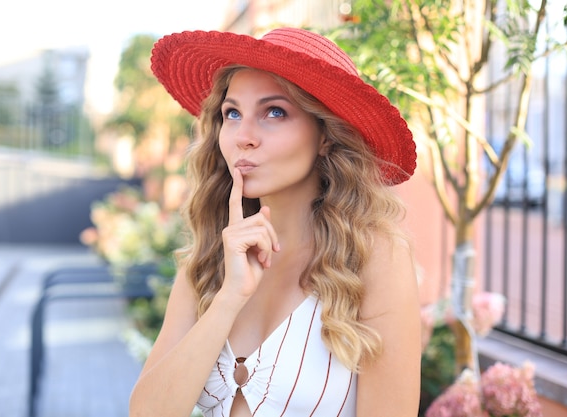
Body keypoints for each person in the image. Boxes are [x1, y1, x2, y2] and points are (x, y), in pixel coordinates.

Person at [129, 27, 421, 417]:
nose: (243, 136)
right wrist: (228, 298)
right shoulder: (210, 254)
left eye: (275, 112)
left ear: (325, 135)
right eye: (232, 113)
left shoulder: (374, 258)